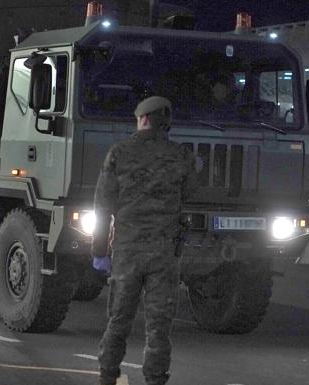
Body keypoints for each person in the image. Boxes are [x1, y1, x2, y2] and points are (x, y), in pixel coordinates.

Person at [92, 96, 198, 385]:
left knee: (118, 319)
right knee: (159, 326)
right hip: (164, 253)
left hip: (127, 251)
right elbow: (191, 195)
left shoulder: (119, 153)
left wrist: (100, 249)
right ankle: (155, 379)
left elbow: (102, 206)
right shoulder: (182, 156)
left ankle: (108, 375)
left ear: (144, 119)